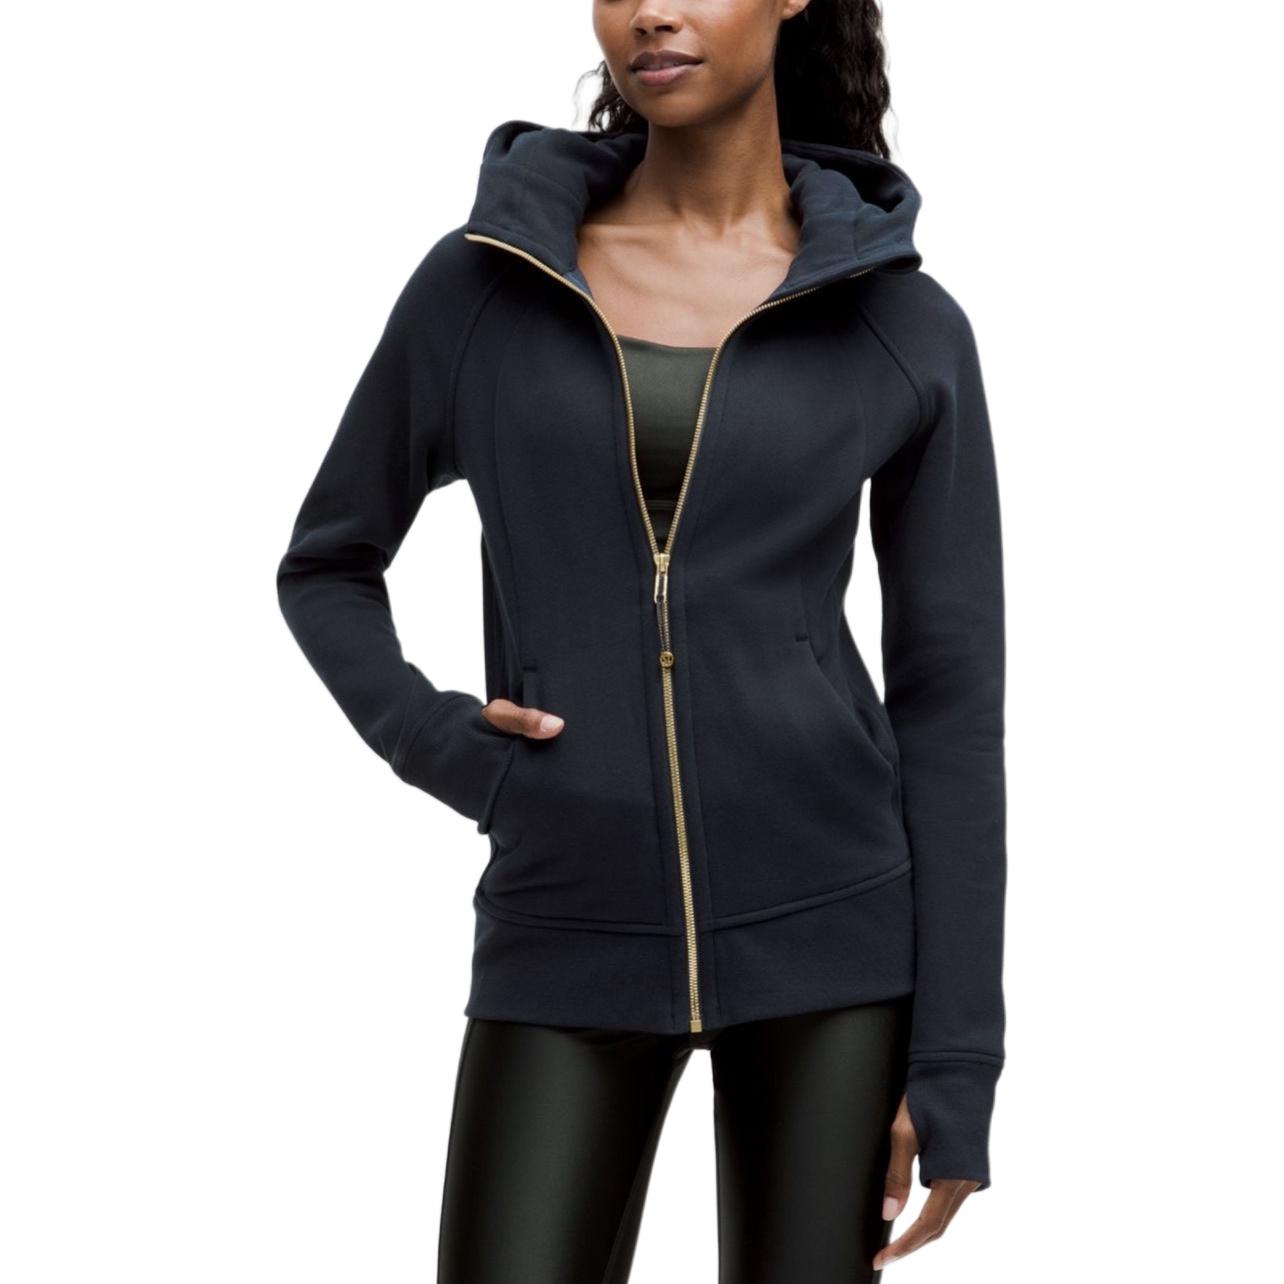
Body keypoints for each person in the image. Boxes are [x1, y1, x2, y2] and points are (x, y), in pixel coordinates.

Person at [275, 1, 1007, 1279]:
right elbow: (328, 564)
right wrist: (452, 748)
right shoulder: (488, 285)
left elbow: (948, 700)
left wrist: (955, 1057)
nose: (651, 10)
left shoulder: (900, 323)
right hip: (565, 930)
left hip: (835, 939)